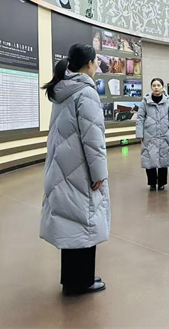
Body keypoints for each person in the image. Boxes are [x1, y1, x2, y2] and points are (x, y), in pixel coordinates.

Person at [40, 44, 110, 295]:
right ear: (89, 64)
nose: (97, 66)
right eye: (96, 62)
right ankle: (82, 282)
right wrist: (99, 174)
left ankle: (73, 279)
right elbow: (93, 139)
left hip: (63, 166)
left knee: (71, 223)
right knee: (85, 221)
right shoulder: (86, 92)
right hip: (81, 169)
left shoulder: (62, 89)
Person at [136, 78, 169, 191]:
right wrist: (140, 133)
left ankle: (162, 183)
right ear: (151, 87)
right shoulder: (145, 101)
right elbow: (140, 118)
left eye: (158, 85)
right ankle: (152, 182)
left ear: (162, 87)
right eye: (154, 85)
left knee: (163, 158)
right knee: (149, 158)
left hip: (164, 133)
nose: (156, 88)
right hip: (149, 134)